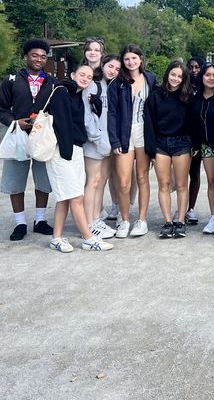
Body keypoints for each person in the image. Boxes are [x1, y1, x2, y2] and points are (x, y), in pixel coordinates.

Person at [47, 65, 114, 252]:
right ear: (73, 74)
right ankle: (89, 237)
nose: (85, 78)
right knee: (76, 196)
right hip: (61, 151)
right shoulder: (62, 92)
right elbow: (61, 125)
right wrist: (66, 153)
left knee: (65, 198)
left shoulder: (78, 95)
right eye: (82, 74)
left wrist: (96, 107)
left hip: (75, 149)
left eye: (89, 76)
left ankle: (56, 237)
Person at [0, 39, 56, 241]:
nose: (39, 59)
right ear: (26, 56)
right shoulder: (12, 80)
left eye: (43, 57)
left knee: (43, 180)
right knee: (15, 180)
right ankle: (20, 223)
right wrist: (14, 123)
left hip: (42, 138)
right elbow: (1, 109)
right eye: (34, 55)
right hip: (18, 136)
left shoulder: (52, 82)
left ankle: (40, 220)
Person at [107, 44, 156, 238]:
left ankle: (142, 220)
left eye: (134, 58)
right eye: (127, 59)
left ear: (141, 59)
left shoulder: (150, 79)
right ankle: (124, 219)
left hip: (144, 133)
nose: (131, 62)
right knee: (124, 182)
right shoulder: (117, 83)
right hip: (124, 134)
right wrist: (115, 141)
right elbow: (111, 113)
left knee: (143, 178)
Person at [144, 60, 194, 239]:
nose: (176, 78)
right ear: (167, 74)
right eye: (173, 74)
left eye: (180, 76)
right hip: (160, 143)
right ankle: (167, 222)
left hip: (182, 142)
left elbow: (193, 122)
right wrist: (150, 150)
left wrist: (193, 144)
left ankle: (180, 221)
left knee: (181, 184)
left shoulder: (188, 97)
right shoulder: (155, 96)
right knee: (164, 184)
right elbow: (148, 123)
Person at [83, 53, 120, 240]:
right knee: (93, 182)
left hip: (107, 144)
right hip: (94, 143)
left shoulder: (110, 86)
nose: (113, 71)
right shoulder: (93, 85)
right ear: (103, 65)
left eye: (117, 69)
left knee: (102, 182)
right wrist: (97, 138)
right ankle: (88, 223)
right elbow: (87, 116)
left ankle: (96, 219)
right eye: (110, 66)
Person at [191, 62, 214, 235]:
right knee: (211, 181)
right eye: (207, 75)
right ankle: (213, 216)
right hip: (205, 145)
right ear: (202, 77)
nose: (211, 78)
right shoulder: (195, 98)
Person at [184, 55, 205, 225]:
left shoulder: (207, 86)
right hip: (188, 137)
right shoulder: (184, 87)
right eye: (191, 67)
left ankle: (191, 208)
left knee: (196, 174)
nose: (194, 70)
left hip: (205, 138)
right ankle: (182, 207)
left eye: (197, 67)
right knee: (185, 174)